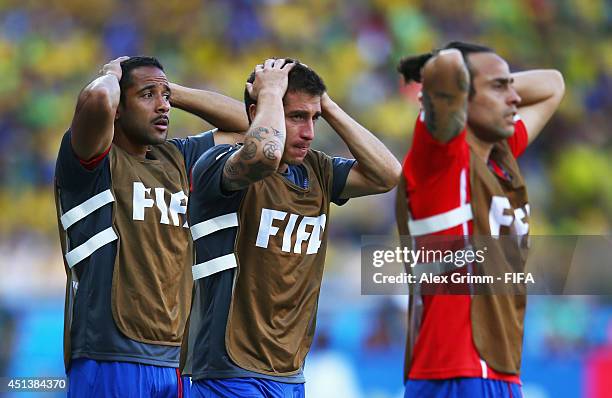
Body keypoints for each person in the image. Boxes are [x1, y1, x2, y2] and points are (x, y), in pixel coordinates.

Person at [181, 58, 401, 397]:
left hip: (291, 374)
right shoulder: (218, 165)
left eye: (314, 118)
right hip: (231, 373)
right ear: (257, 112)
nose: (310, 132)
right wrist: (270, 91)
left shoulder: (318, 171)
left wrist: (325, 103)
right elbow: (264, 156)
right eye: (297, 117)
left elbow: (388, 174)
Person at [54, 55, 249, 397]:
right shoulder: (92, 159)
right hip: (109, 354)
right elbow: (98, 98)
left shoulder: (177, 158)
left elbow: (249, 127)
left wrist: (167, 90)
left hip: (172, 358)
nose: (163, 107)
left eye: (166, 99)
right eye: (146, 96)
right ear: (118, 106)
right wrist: (113, 74)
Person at [395, 42, 565, 397]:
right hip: (454, 373)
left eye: (510, 85)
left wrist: (488, 85)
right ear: (461, 98)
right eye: (499, 87)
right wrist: (457, 83)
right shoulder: (441, 155)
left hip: (500, 374)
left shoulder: (500, 154)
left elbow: (553, 83)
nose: (515, 98)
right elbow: (447, 67)